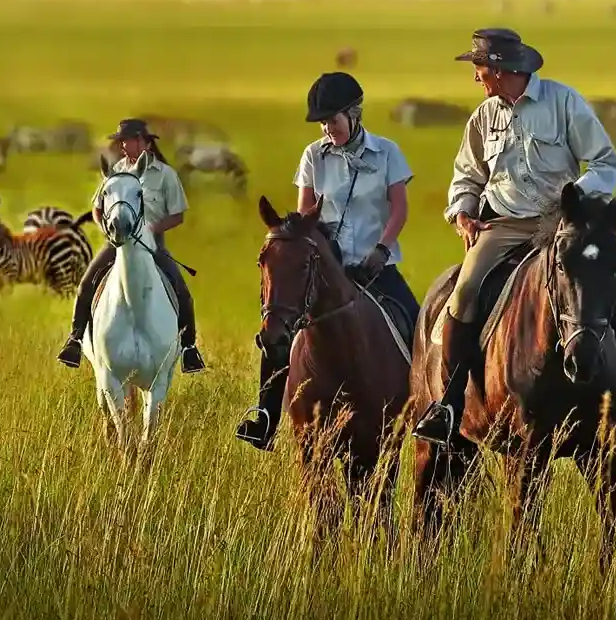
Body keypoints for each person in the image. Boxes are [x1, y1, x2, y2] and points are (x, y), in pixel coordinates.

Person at [411, 28, 616, 454]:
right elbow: (466, 176)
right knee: (463, 294)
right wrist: (463, 212)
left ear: (503, 69)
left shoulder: (564, 103)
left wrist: (575, 200)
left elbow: (606, 163)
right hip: (502, 227)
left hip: (562, 224)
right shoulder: (484, 116)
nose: (476, 78)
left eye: (480, 68)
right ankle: (448, 407)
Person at [235, 70, 421, 451]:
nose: (326, 129)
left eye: (332, 121)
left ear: (354, 114)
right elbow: (306, 213)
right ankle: (265, 416)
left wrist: (382, 250)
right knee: (279, 332)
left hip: (376, 267)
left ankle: (432, 413)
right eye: (322, 123)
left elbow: (399, 210)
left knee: (419, 329)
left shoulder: (387, 153)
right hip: (327, 266)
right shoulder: (313, 156)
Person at [56, 119, 205, 373]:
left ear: (144, 142)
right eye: (120, 141)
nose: (122, 146)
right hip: (117, 242)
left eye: (127, 140)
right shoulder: (116, 170)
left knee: (182, 291)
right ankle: (75, 339)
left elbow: (178, 215)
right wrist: (104, 227)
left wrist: (151, 229)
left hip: (153, 244)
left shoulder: (165, 175)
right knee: (85, 284)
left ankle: (189, 349)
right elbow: (97, 207)